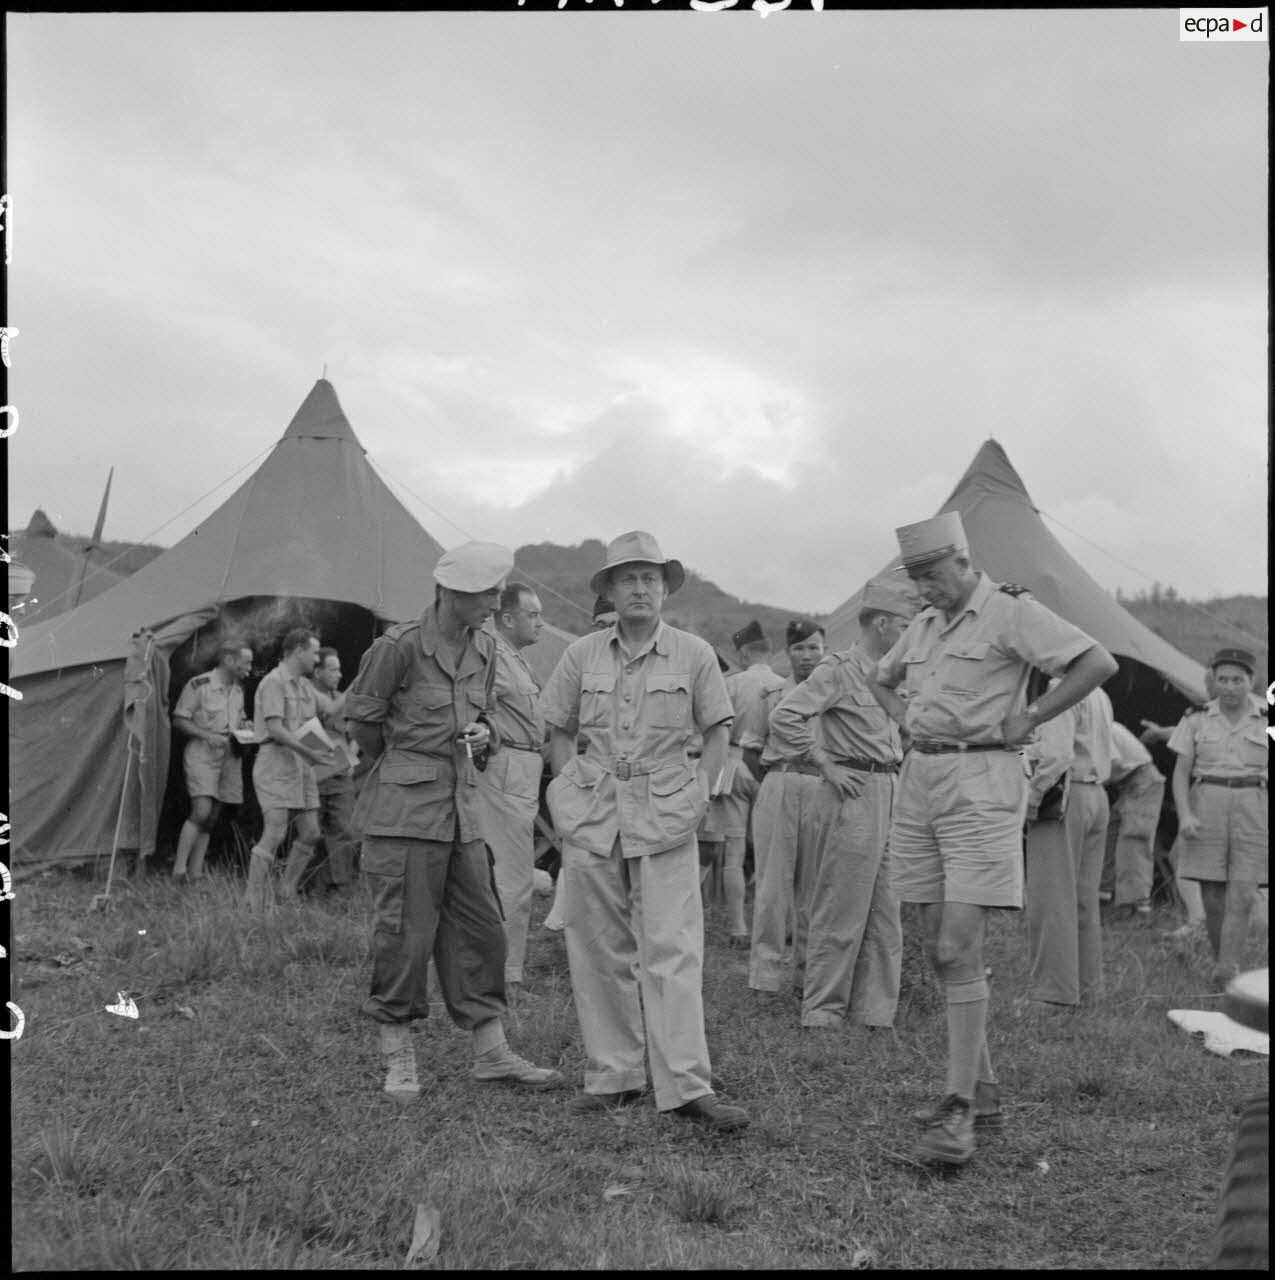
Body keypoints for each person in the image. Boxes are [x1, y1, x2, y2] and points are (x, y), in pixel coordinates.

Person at [869, 512, 1117, 1168]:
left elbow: (1096, 661)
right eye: (915, 578)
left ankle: (955, 1119)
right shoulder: (923, 624)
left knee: (956, 945)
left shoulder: (1009, 612)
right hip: (919, 775)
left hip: (982, 778)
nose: (925, 588)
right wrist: (903, 721)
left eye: (931, 573)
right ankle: (982, 1099)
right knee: (936, 943)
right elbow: (880, 677)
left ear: (960, 558)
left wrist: (1030, 715)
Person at [540, 530, 748, 1132]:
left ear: (664, 589)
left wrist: (698, 796)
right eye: (627, 578)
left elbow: (717, 731)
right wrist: (565, 786)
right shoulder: (580, 655)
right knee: (598, 946)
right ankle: (615, 1076)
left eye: (649, 579)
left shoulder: (694, 653)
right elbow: (556, 725)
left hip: (665, 811)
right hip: (595, 811)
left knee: (673, 948)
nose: (639, 589)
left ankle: (686, 1085)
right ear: (609, 589)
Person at [343, 542, 563, 1101]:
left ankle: (492, 1054)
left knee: (482, 928)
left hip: (466, 811)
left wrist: (486, 732)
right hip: (407, 814)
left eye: (495, 592)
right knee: (405, 936)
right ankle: (398, 1058)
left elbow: (486, 709)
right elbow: (364, 722)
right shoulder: (399, 648)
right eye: (485, 593)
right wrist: (406, 764)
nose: (493, 602)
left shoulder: (485, 647)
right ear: (450, 593)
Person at [768, 577, 919, 1031]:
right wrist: (825, 764)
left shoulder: (894, 673)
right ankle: (823, 1012)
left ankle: (874, 1013)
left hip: (889, 791)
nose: (913, 634)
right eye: (907, 624)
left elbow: (906, 728)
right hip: (851, 795)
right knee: (841, 907)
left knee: (887, 909)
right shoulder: (839, 669)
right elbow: (785, 717)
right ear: (881, 622)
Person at [1168, 647, 1268, 988]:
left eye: (1237, 680)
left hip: (1254, 803)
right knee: (1212, 893)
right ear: (1213, 680)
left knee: (1243, 892)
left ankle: (1228, 970)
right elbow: (1180, 773)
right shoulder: (1196, 717)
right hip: (1206, 801)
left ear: (1251, 681)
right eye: (1222, 679)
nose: (1229, 687)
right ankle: (1220, 962)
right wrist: (1184, 816)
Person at [1021, 684, 1114, 1009]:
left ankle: (1053, 994)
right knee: (1083, 900)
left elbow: (1057, 754)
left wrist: (1032, 797)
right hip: (1096, 793)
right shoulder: (1097, 690)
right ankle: (1088, 988)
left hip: (1065, 794)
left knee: (1051, 896)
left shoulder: (1061, 688)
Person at [747, 619, 826, 998]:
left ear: (824, 650)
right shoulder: (771, 694)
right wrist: (767, 786)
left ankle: (807, 975)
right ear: (787, 653)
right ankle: (766, 977)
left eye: (813, 647)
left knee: (815, 886)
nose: (807, 656)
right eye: (799, 648)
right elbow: (750, 747)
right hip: (779, 780)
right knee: (772, 886)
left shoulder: (835, 695)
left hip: (822, 787)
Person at [476, 583, 547, 987]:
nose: (540, 622)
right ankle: (502, 976)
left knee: (511, 874)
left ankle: (499, 971)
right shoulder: (493, 655)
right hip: (506, 766)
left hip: (522, 765)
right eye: (533, 615)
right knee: (513, 876)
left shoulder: (513, 658)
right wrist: (491, 734)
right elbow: (476, 706)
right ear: (507, 618)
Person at [704, 619, 784, 946]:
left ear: (745, 652)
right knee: (775, 855)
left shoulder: (733, 684)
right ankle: (777, 928)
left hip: (735, 765)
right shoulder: (784, 684)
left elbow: (716, 728)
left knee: (734, 854)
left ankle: (738, 927)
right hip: (773, 769)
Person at [544, 594, 618, 935]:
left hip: (646, 787)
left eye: (614, 624)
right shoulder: (581, 659)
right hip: (594, 781)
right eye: (601, 624)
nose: (608, 632)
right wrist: (565, 788)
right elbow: (562, 729)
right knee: (582, 866)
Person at [244, 630, 333, 910]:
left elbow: (331, 708)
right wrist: (311, 753)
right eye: (315, 653)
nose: (317, 659)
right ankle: (253, 900)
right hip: (276, 761)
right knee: (275, 832)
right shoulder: (273, 682)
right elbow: (275, 728)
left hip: (301, 764)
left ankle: (286, 890)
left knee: (310, 833)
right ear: (298, 651)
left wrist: (359, 685)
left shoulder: (305, 686)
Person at [171, 641, 253, 882]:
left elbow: (239, 718)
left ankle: (195, 873)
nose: (250, 668)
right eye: (246, 662)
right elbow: (179, 719)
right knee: (201, 810)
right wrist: (207, 735)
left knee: (213, 816)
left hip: (229, 757)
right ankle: (179, 869)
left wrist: (245, 726)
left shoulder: (238, 689)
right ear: (228, 660)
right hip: (203, 754)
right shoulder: (200, 685)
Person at [306, 647, 360, 897]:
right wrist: (343, 759)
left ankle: (341, 888)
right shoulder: (305, 698)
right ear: (317, 672)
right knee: (311, 833)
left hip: (340, 777)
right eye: (333, 669)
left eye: (339, 669)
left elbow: (356, 729)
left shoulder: (342, 700)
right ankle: (311, 888)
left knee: (344, 830)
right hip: (312, 776)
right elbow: (303, 732)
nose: (339, 675)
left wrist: (351, 753)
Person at [1103, 721, 1167, 917]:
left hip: (1141, 781)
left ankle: (1135, 906)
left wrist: (1092, 783)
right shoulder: (1104, 724)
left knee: (1133, 843)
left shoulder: (1101, 728)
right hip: (1128, 782)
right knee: (1109, 837)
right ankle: (1103, 896)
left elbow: (1115, 765)